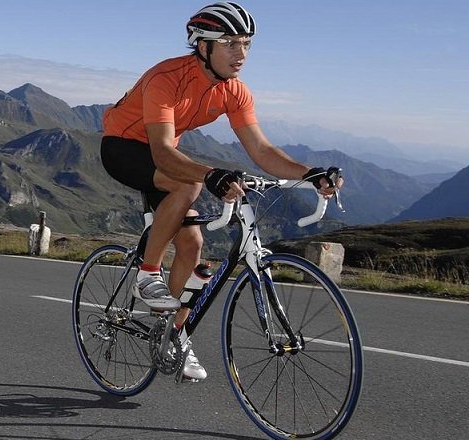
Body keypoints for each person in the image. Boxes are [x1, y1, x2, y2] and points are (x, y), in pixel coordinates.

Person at [100, 2, 343, 381]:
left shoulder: (235, 91)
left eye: (246, 43)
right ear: (202, 46)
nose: (241, 53)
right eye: (229, 43)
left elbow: (262, 151)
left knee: (194, 246)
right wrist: (211, 174)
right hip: (123, 147)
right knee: (190, 181)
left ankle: (172, 336)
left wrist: (310, 174)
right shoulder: (165, 78)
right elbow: (163, 152)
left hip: (163, 153)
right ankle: (147, 273)